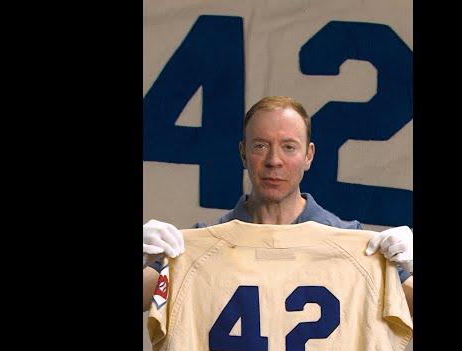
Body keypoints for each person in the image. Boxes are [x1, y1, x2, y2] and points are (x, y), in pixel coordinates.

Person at [143, 96, 413, 314]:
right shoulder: (202, 245)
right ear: (243, 153)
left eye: (289, 147)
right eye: (260, 146)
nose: (274, 160)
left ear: (309, 156)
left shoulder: (355, 245)